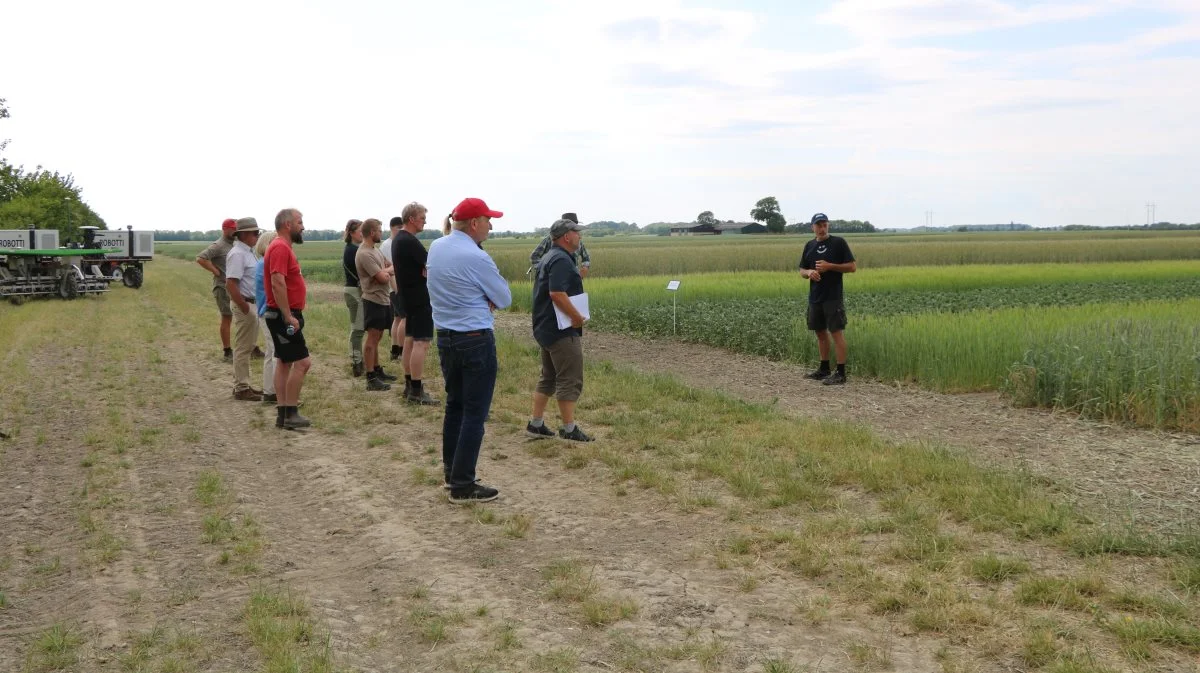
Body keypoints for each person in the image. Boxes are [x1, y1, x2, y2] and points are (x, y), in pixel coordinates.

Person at [427, 197, 512, 504]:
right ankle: (463, 484)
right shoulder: (476, 257)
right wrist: (483, 297)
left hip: (446, 337)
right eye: (488, 220)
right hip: (475, 338)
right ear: (474, 223)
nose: (491, 225)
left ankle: (452, 473)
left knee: (455, 406)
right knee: (475, 412)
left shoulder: (437, 247)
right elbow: (503, 298)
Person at [527, 218, 594, 441]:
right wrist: (577, 317)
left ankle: (536, 423)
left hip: (546, 327)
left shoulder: (549, 256)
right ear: (567, 236)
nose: (580, 236)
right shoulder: (562, 260)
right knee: (570, 377)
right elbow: (556, 293)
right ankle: (568, 428)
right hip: (560, 328)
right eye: (577, 232)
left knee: (549, 376)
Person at [263, 208, 312, 429]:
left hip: (282, 314)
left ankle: (283, 414)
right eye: (300, 222)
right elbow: (277, 282)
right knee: (303, 362)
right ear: (288, 225)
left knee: (284, 363)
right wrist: (288, 315)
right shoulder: (280, 247)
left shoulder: (279, 246)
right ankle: (291, 412)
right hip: (283, 316)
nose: (303, 227)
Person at [799, 212, 856, 385]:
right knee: (820, 333)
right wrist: (809, 272)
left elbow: (852, 267)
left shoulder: (838, 243)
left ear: (828, 226)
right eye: (819, 225)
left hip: (833, 297)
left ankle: (840, 373)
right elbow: (801, 270)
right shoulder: (809, 245)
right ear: (813, 227)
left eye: (825, 225)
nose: (822, 228)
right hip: (815, 297)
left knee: (836, 333)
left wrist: (830, 266)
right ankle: (824, 369)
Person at [391, 202, 438, 404]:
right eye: (422, 218)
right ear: (411, 219)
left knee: (410, 340)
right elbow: (430, 264)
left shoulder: (398, 239)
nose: (424, 222)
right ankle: (417, 391)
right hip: (419, 297)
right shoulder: (409, 241)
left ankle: (410, 385)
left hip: (407, 296)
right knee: (422, 342)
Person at [224, 218, 264, 401]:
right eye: (255, 233)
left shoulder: (247, 252)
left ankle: (244, 384)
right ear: (244, 234)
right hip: (245, 304)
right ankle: (241, 388)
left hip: (251, 303)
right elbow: (231, 284)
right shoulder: (238, 254)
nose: (258, 236)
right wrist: (244, 306)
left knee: (247, 347)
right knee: (242, 347)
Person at [355, 218, 397, 391]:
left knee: (378, 337)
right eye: (379, 230)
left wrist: (386, 271)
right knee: (372, 338)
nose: (382, 233)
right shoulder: (365, 253)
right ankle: (370, 377)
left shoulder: (375, 250)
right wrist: (386, 271)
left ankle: (377, 370)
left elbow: (389, 267)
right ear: (372, 233)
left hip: (383, 299)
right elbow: (382, 277)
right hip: (373, 300)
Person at [196, 218, 237, 361]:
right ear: (225, 229)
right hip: (222, 287)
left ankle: (248, 347)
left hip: (235, 288)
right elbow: (201, 258)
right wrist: (216, 271)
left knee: (243, 317)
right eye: (233, 229)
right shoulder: (218, 245)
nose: (235, 231)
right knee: (227, 317)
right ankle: (227, 351)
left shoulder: (234, 245)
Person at [253, 231, 278, 403]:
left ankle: (270, 391)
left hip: (264, 312)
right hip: (269, 312)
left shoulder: (261, 263)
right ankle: (278, 393)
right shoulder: (266, 264)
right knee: (278, 353)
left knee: (271, 352)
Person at [528, 212, 590, 278]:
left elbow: (586, 257)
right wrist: (545, 270)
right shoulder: (550, 239)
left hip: (573, 279)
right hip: (556, 279)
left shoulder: (578, 241)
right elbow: (534, 256)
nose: (578, 233)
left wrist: (584, 269)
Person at [342, 219, 366, 377]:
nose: (362, 234)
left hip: (354, 290)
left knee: (359, 328)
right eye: (360, 231)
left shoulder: (352, 248)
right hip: (355, 291)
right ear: (351, 232)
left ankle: (358, 359)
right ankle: (356, 362)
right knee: (357, 329)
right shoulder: (352, 250)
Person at [382, 216, 407, 362]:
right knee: (405, 318)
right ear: (392, 228)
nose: (401, 231)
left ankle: (394, 350)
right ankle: (402, 349)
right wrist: (396, 288)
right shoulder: (387, 245)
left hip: (396, 287)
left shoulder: (394, 243)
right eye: (399, 228)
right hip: (395, 287)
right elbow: (388, 268)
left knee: (397, 318)